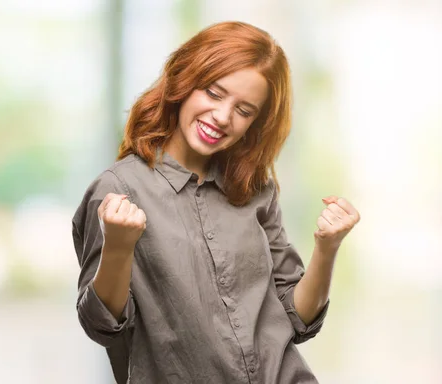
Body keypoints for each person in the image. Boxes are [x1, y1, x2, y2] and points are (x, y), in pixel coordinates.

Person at [71, 21, 360, 384]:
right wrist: (117, 246)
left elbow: (296, 320)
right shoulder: (118, 189)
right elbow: (102, 327)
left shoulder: (254, 188)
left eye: (244, 110)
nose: (223, 117)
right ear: (184, 81)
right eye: (214, 93)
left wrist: (327, 248)